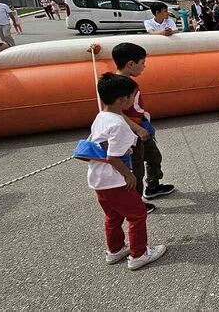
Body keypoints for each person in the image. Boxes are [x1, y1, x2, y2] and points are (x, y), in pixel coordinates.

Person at [85, 72, 166, 270]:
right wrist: (128, 175)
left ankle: (115, 250)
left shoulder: (101, 117)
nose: (133, 99)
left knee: (113, 216)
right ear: (123, 99)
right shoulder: (119, 125)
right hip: (116, 181)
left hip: (98, 180)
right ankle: (139, 254)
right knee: (137, 214)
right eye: (132, 96)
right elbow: (113, 157)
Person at [112, 42, 176, 213]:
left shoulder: (129, 82)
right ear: (131, 64)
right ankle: (136, 202)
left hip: (143, 127)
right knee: (137, 168)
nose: (144, 67)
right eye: (142, 63)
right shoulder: (119, 86)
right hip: (133, 133)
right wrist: (137, 129)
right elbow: (116, 112)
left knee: (154, 157)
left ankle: (153, 186)